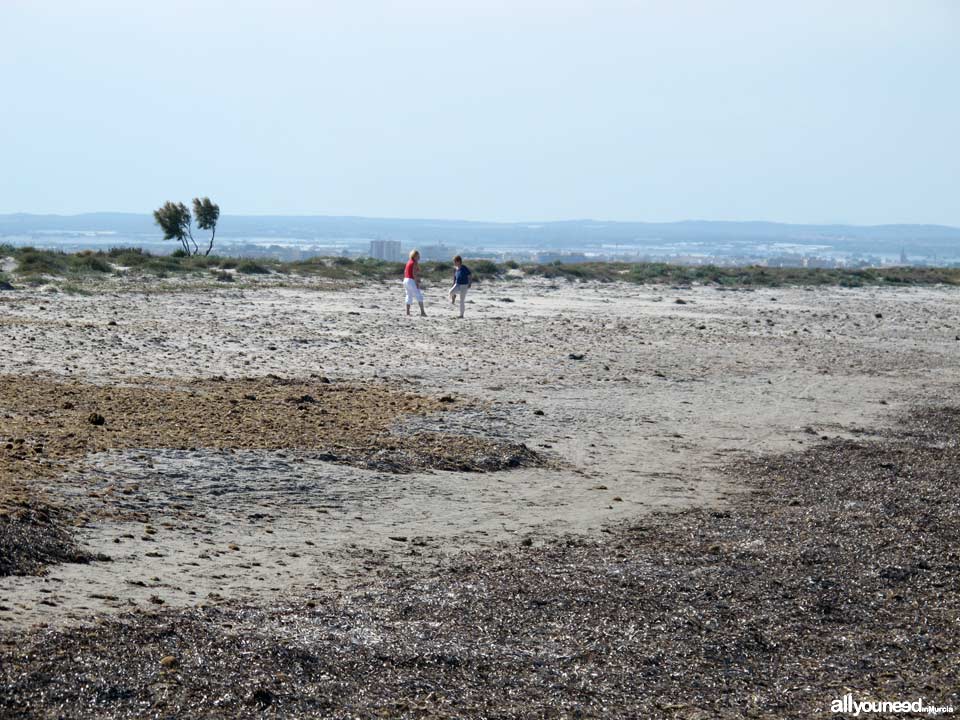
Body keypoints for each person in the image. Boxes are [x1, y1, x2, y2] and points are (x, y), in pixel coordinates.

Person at [403, 249, 426, 316]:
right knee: (419, 295)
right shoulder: (414, 263)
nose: (419, 257)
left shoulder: (408, 262)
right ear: (415, 256)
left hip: (406, 279)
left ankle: (407, 312)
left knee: (409, 295)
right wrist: (416, 282)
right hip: (411, 280)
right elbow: (414, 273)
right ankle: (422, 312)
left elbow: (405, 272)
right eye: (418, 256)